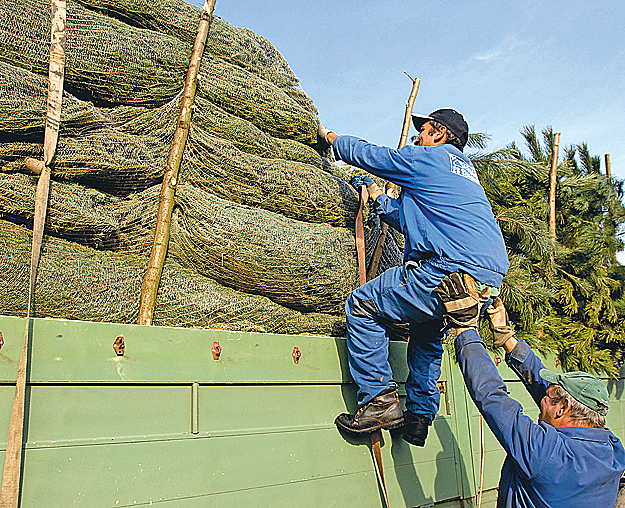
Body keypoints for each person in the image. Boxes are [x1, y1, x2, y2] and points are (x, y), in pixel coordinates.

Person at [318, 109, 509, 446]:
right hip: (482, 283)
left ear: (439, 133)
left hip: (449, 270)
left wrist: (333, 139)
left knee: (362, 304)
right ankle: (420, 416)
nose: (416, 137)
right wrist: (377, 197)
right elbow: (412, 222)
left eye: (423, 131)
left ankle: (379, 402)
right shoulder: (463, 175)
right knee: (426, 330)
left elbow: (373, 155)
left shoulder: (430, 157)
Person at [435, 273, 625, 508]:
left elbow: (492, 397)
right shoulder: (611, 449)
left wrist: (466, 329)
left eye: (549, 397)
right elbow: (549, 391)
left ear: (563, 408)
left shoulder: (547, 454)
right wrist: (507, 338)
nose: (543, 396)